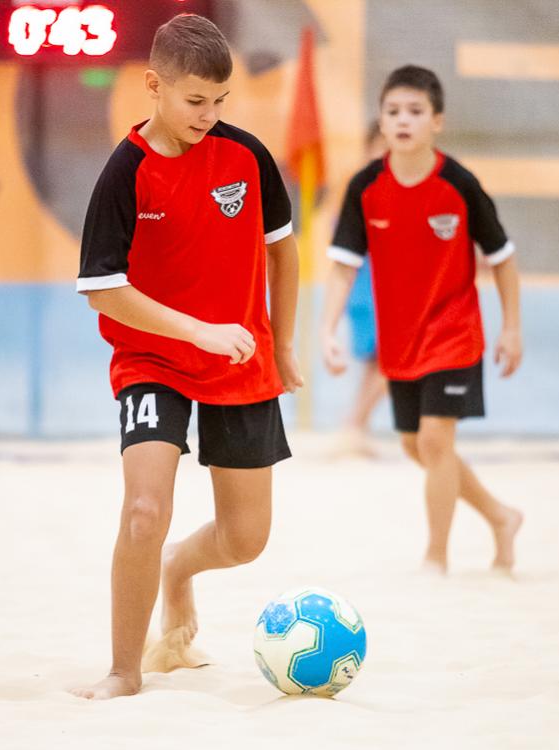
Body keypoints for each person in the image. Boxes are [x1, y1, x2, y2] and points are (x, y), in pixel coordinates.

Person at [71, 14, 302, 700]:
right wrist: (196, 331)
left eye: (220, 101)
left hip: (239, 358)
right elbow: (103, 291)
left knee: (245, 539)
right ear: (154, 86)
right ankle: (124, 670)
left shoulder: (246, 157)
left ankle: (178, 569)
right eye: (195, 100)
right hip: (152, 362)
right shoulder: (126, 170)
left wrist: (283, 342)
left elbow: (284, 250)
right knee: (144, 510)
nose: (209, 114)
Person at [321, 65, 523, 573]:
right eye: (392, 111)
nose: (402, 120)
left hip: (454, 333)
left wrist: (512, 328)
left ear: (437, 121)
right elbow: (342, 266)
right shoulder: (365, 186)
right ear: (381, 122)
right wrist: (326, 330)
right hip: (400, 340)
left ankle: (436, 557)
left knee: (435, 440)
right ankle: (500, 516)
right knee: (417, 446)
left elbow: (502, 257)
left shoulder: (459, 183)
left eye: (415, 111)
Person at [333, 122, 389, 458]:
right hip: (369, 290)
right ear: (369, 148)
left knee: (378, 364)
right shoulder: (365, 188)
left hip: (381, 289)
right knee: (389, 365)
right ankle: (353, 424)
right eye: (381, 145)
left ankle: (357, 428)